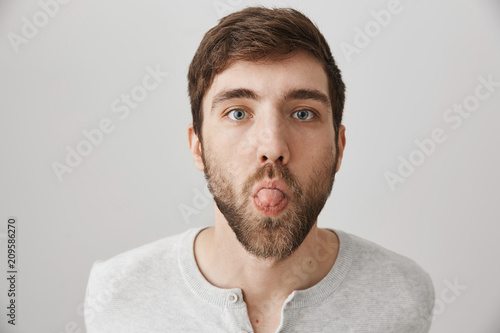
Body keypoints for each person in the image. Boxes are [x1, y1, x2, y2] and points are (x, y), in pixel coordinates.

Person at [84, 7, 435, 333]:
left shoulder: (402, 293)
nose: (272, 148)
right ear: (198, 146)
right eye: (238, 113)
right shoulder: (116, 294)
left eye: (303, 113)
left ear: (339, 147)